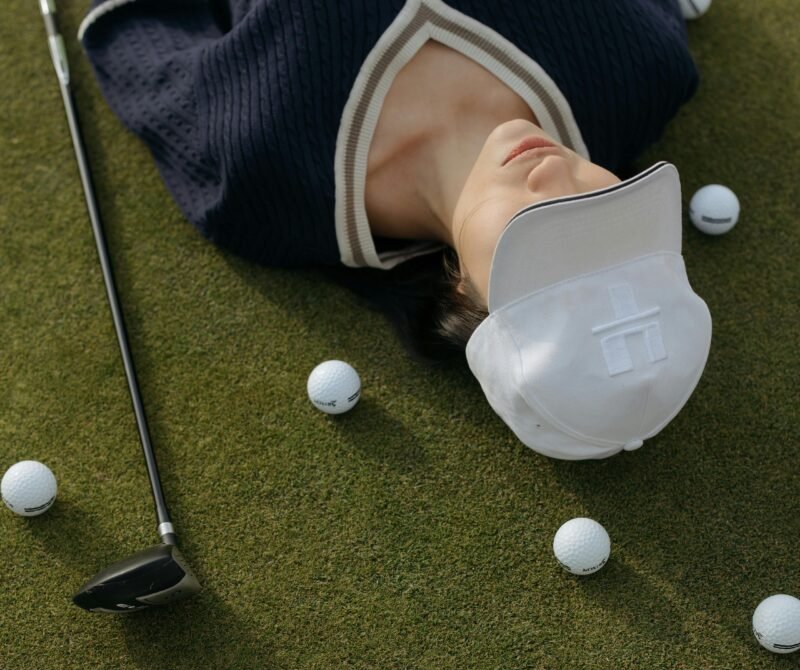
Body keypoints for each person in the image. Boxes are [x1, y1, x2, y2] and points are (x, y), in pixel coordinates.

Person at [78, 0, 712, 459]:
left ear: (466, 296)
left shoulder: (258, 180)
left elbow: (137, 34)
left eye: (541, 234)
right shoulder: (638, 65)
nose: (556, 179)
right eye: (607, 206)